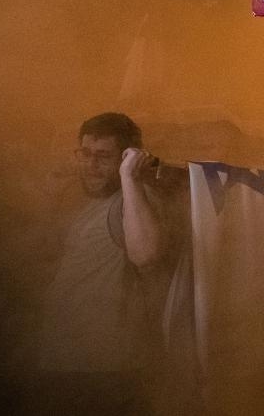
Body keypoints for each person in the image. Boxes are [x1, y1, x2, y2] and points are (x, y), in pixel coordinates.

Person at [33, 112, 170, 414]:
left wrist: (130, 178)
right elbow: (46, 261)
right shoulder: (88, 202)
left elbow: (147, 254)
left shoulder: (135, 197)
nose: (91, 165)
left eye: (103, 156)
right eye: (85, 153)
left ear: (124, 160)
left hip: (107, 371)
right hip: (66, 363)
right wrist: (50, 198)